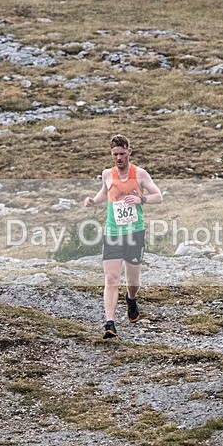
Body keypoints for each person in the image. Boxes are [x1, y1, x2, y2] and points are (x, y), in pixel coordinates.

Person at [83, 134, 162, 339]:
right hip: (113, 232)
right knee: (111, 278)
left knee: (133, 280)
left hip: (134, 232)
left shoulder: (140, 174)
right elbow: (104, 192)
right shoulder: (107, 174)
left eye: (121, 153)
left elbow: (158, 196)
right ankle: (110, 323)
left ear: (129, 151)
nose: (118, 158)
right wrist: (93, 200)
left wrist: (140, 198)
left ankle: (131, 299)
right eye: (114, 154)